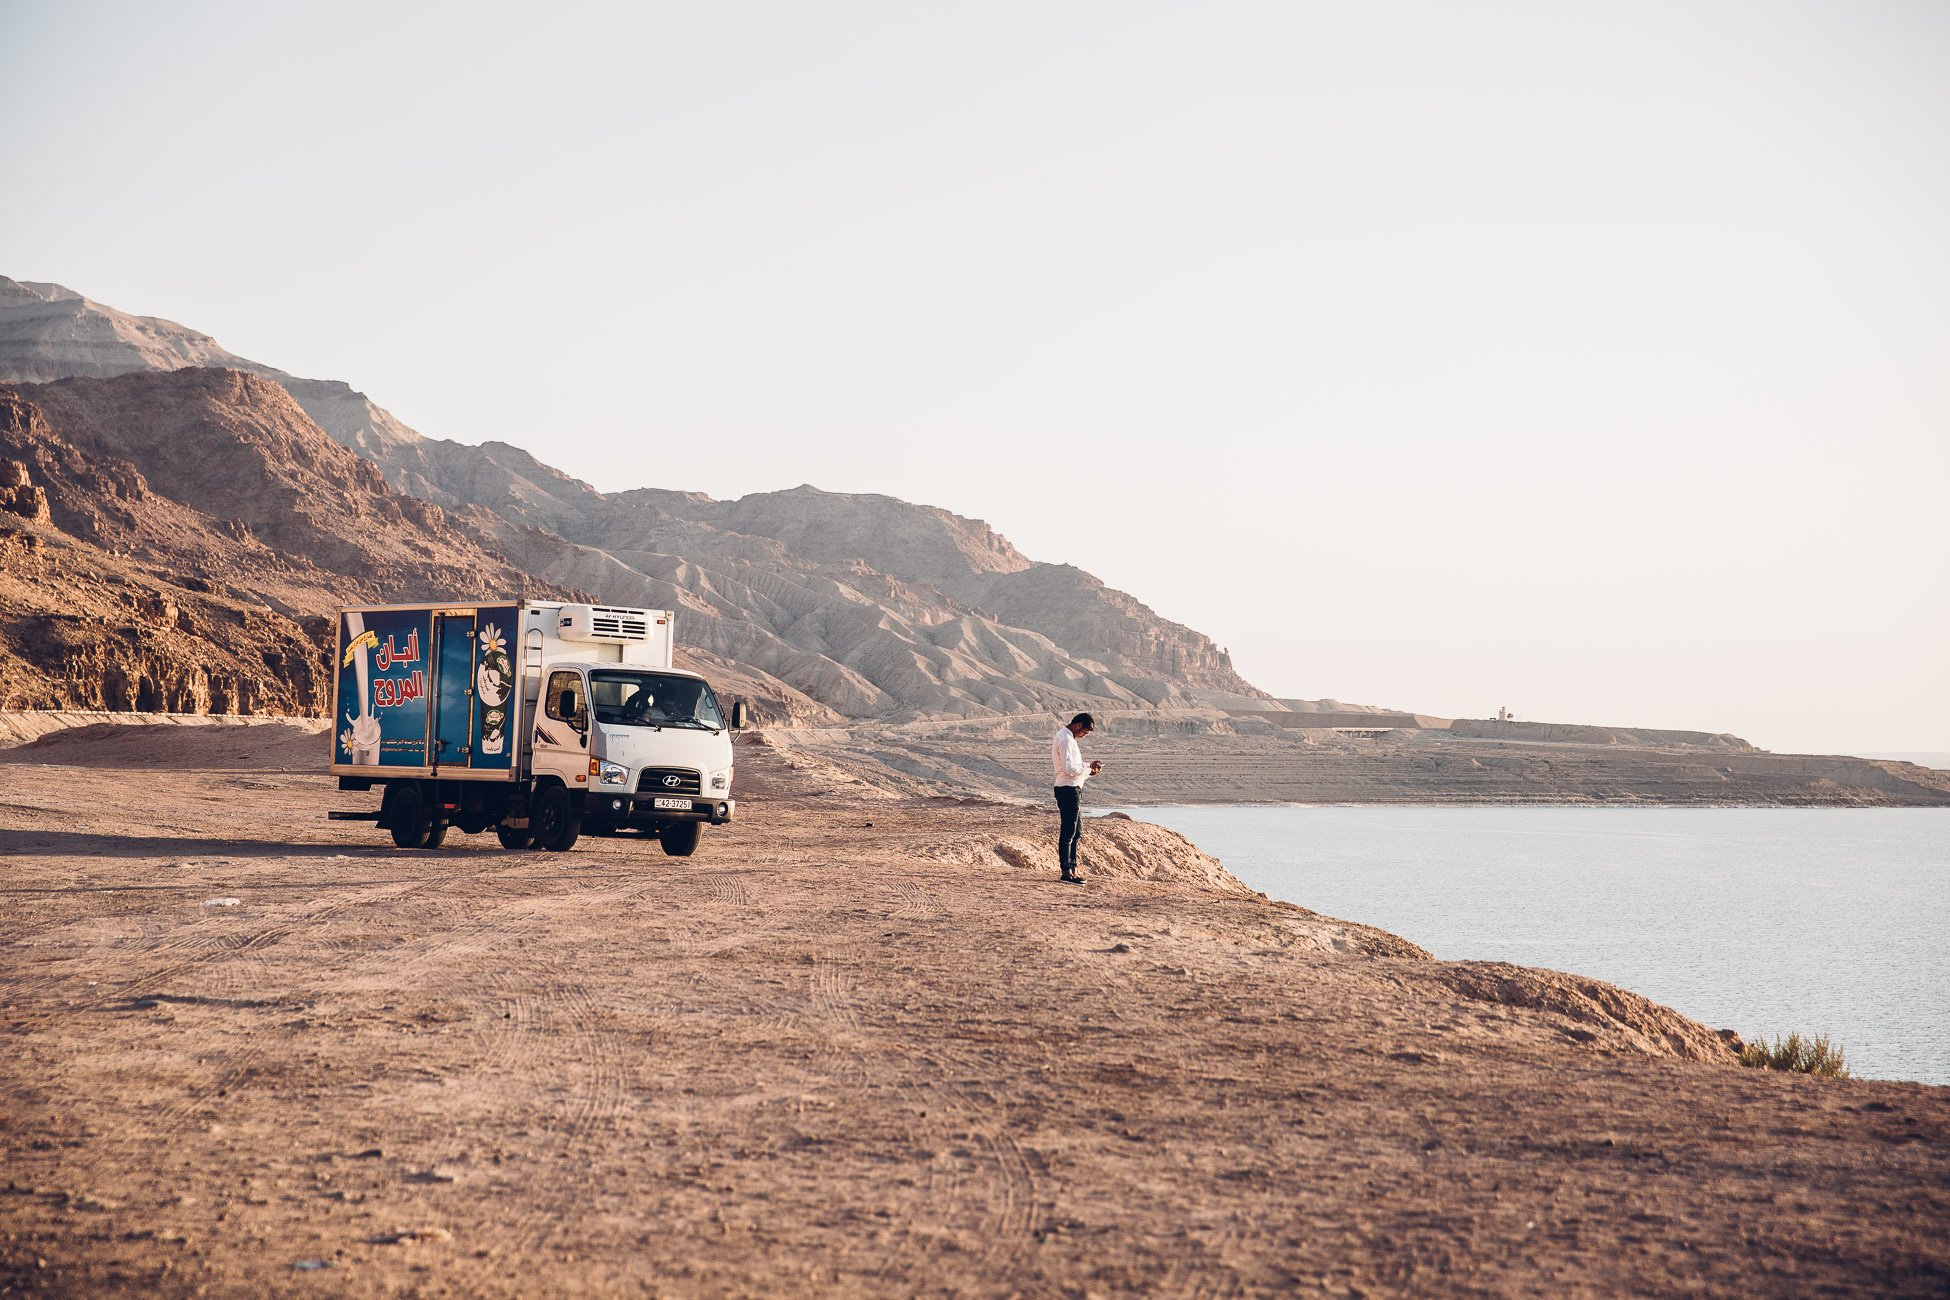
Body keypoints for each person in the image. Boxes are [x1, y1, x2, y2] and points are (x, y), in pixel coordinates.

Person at [1051, 712, 1102, 884]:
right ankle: (1066, 871)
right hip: (1067, 789)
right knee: (1068, 831)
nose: (1084, 735)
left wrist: (1089, 768)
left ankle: (1072, 868)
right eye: (1085, 732)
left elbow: (1075, 768)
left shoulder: (1069, 738)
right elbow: (1069, 770)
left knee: (1076, 831)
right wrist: (1088, 770)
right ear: (1079, 725)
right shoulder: (1065, 739)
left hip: (1073, 788)